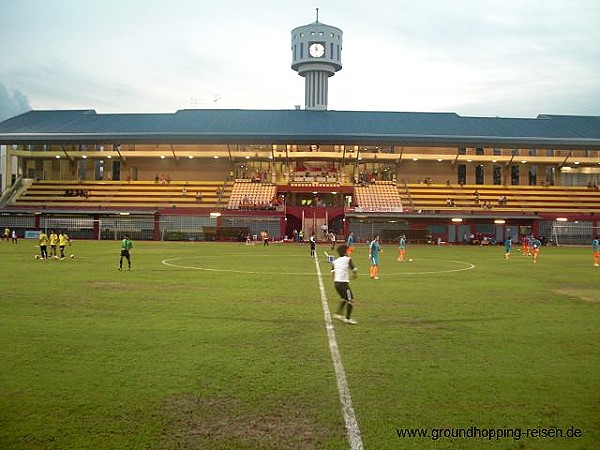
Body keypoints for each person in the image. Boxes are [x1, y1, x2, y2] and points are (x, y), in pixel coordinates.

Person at [331, 244, 358, 325]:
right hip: (344, 284)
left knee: (344, 298)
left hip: (336, 284)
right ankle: (348, 319)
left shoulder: (335, 261)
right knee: (351, 300)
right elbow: (354, 269)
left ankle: (338, 314)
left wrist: (337, 279)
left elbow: (332, 272)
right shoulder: (348, 259)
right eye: (348, 251)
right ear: (345, 252)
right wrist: (354, 275)